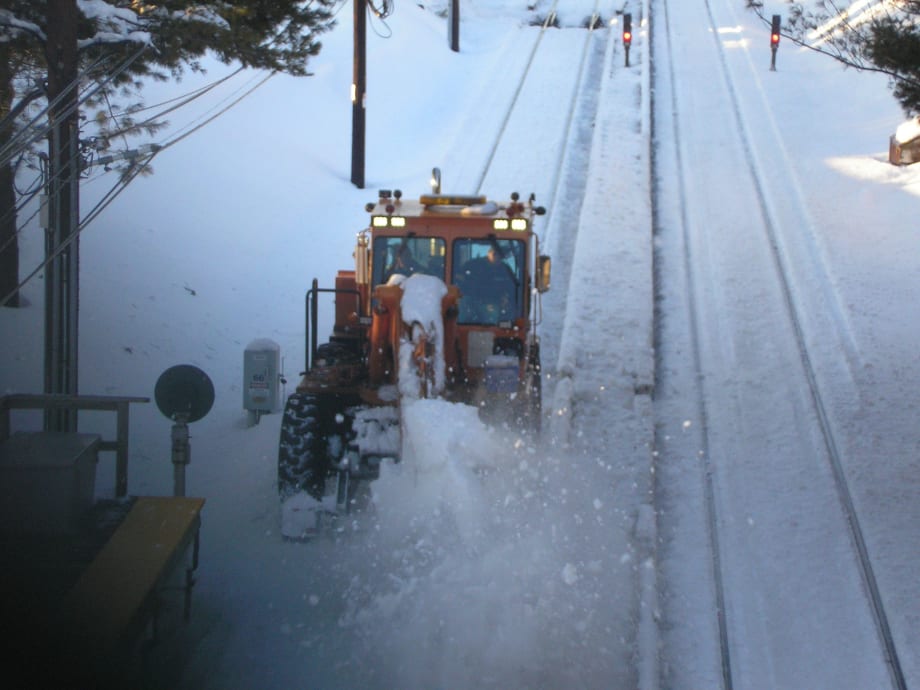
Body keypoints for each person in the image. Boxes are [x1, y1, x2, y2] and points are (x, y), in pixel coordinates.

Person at [457, 246, 519, 323]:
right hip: (469, 299)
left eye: (499, 255)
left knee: (491, 318)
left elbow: (511, 287)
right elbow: (458, 276)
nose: (497, 257)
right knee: (461, 311)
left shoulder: (505, 270)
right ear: (489, 253)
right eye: (495, 254)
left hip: (491, 301)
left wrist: (507, 299)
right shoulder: (473, 264)